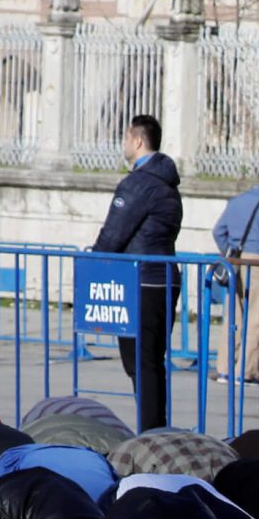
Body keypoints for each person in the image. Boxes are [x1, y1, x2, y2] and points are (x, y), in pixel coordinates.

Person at [90, 114, 184, 433]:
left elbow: (114, 234)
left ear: (137, 140)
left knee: (139, 363)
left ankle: (151, 432)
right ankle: (155, 428)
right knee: (152, 362)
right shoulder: (167, 182)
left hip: (140, 281)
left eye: (126, 137)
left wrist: (93, 260)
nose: (124, 144)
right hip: (163, 277)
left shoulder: (139, 183)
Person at [209, 162, 259, 386]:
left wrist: (227, 250)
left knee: (233, 315)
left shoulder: (237, 201)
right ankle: (245, 370)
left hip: (234, 260)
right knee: (256, 316)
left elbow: (218, 231)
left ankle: (223, 368)